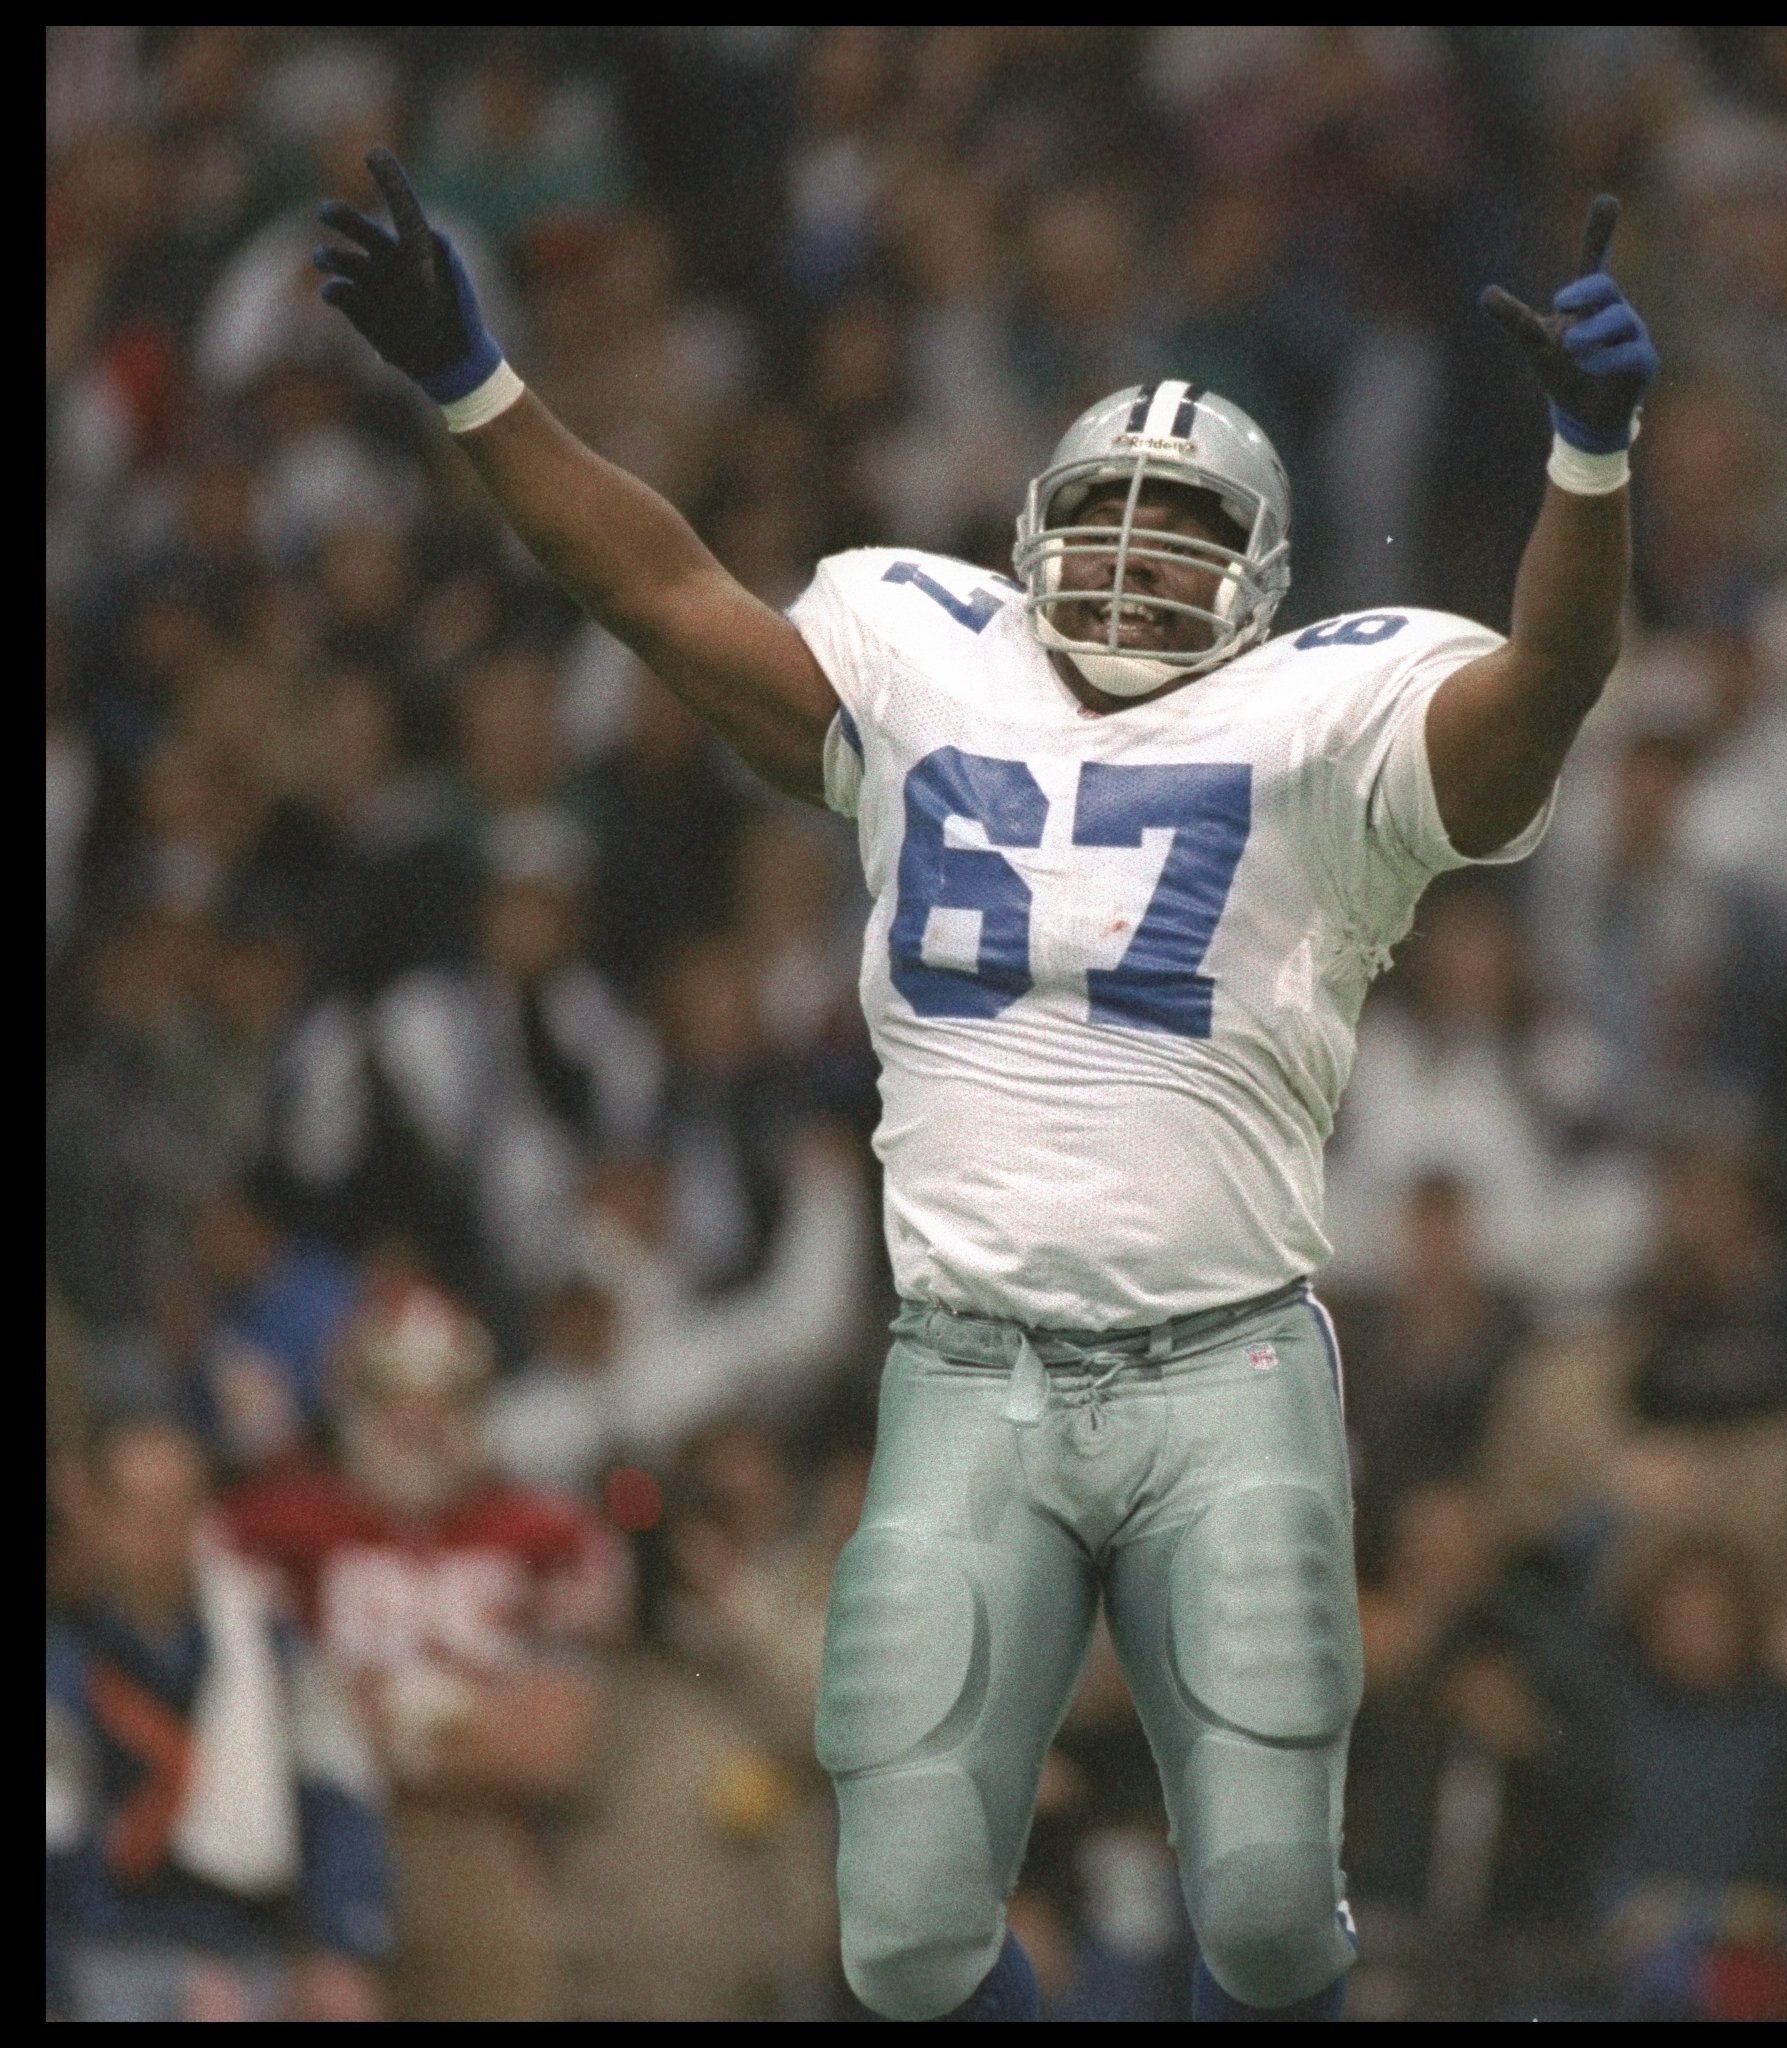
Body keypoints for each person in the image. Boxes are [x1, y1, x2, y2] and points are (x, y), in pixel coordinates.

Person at [310, 150, 1658, 2019]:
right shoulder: (921, 660)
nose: (1130, 557)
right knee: (909, 1936)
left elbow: (1535, 706)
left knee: (1271, 1912)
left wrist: (1587, 468)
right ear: (1029, 532)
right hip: (970, 1364)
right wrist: (478, 384)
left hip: (1227, 1362)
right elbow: (652, 587)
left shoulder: (1323, 721)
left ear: (1257, 580)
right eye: (1104, 516)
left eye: (1180, 530)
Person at [224, 1275, 626, 2018]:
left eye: (443, 1398)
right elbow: (252, 1732)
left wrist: (367, 1722)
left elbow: (554, 1752)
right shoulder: (276, 1525)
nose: (419, 1419)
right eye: (395, 1397)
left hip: (484, 1849)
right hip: (313, 1844)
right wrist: (462, 1721)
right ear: (353, 1405)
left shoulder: (544, 1533)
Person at [47, 1413, 393, 2023]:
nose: (161, 1531)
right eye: (139, 1509)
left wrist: (342, 1946)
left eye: (179, 1507)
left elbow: (338, 1791)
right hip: (97, 1950)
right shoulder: (64, 1655)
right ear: (98, 1517)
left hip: (244, 1946)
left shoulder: (268, 1646)